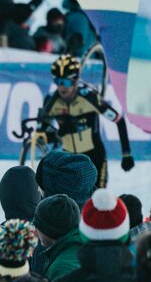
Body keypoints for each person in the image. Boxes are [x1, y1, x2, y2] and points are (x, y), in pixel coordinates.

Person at [40, 54, 134, 187]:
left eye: (66, 82)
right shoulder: (51, 101)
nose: (62, 87)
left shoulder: (90, 97)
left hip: (94, 158)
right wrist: (57, 133)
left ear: (76, 80)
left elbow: (119, 120)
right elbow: (44, 134)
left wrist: (126, 153)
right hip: (69, 159)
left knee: (96, 202)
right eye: (58, 82)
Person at [32, 194, 84, 282]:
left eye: (38, 226)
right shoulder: (78, 245)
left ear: (49, 230)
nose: (35, 231)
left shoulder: (62, 268)